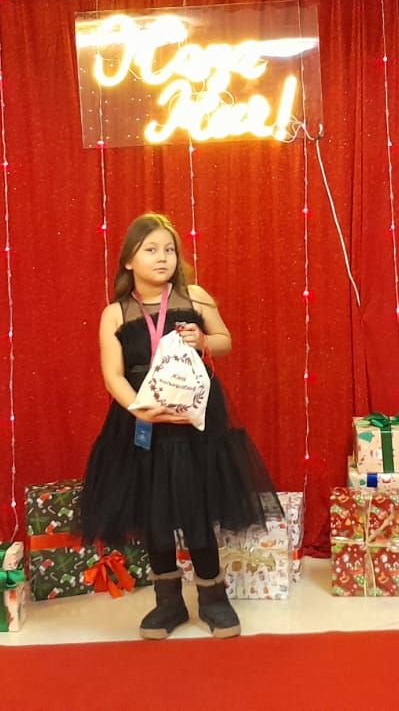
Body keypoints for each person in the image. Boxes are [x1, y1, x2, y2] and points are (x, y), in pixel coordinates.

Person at [79, 212, 281, 639]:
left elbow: (225, 341)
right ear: (128, 260)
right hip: (142, 426)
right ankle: (167, 602)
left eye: (169, 249)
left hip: (196, 425)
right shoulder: (114, 313)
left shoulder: (196, 298)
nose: (163, 258)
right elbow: (112, 375)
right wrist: (139, 410)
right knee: (154, 513)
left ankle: (213, 598)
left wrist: (204, 340)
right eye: (151, 249)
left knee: (197, 509)